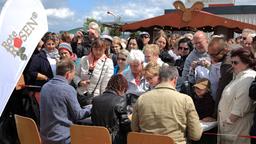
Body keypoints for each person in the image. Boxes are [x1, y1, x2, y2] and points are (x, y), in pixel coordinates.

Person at [131, 65, 203, 143]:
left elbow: (134, 129)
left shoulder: (141, 99)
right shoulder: (185, 100)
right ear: (175, 80)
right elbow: (196, 135)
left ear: (159, 79)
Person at [40, 59, 91, 144]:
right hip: (63, 139)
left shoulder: (45, 87)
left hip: (46, 138)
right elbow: (78, 115)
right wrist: (91, 109)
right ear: (67, 74)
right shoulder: (68, 89)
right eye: (73, 73)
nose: (73, 76)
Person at [218, 48, 256, 144]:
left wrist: (228, 121)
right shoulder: (239, 76)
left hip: (238, 129)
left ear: (246, 63)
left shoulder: (248, 78)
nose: (232, 65)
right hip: (230, 129)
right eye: (232, 62)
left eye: (235, 63)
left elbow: (241, 105)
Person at [91, 75, 131, 144]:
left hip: (97, 138)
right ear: (122, 87)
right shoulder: (120, 100)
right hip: (115, 140)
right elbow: (125, 125)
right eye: (124, 91)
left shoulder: (95, 100)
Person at [74, 39, 114, 106]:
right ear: (92, 48)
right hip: (80, 95)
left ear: (104, 49)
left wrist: (103, 99)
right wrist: (79, 82)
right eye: (95, 49)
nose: (98, 52)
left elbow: (106, 83)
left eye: (100, 50)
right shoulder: (84, 59)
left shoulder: (108, 62)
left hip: (96, 98)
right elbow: (75, 75)